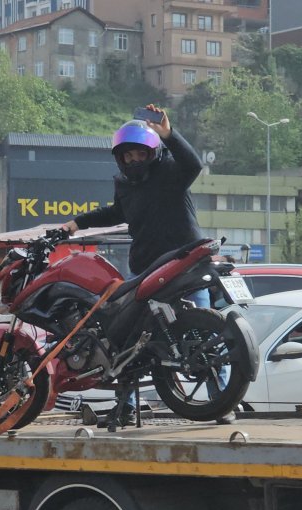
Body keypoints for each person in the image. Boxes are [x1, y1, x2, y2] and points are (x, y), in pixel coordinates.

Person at [60, 105, 224, 424]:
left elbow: (193, 163)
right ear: (120, 158)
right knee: (129, 338)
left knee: (205, 329)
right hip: (146, 270)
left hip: (184, 261)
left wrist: (169, 133)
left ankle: (222, 400)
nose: (133, 160)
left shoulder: (172, 173)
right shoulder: (125, 185)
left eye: (139, 153)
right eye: (127, 155)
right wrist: (76, 223)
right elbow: (116, 213)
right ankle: (127, 405)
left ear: (152, 152)